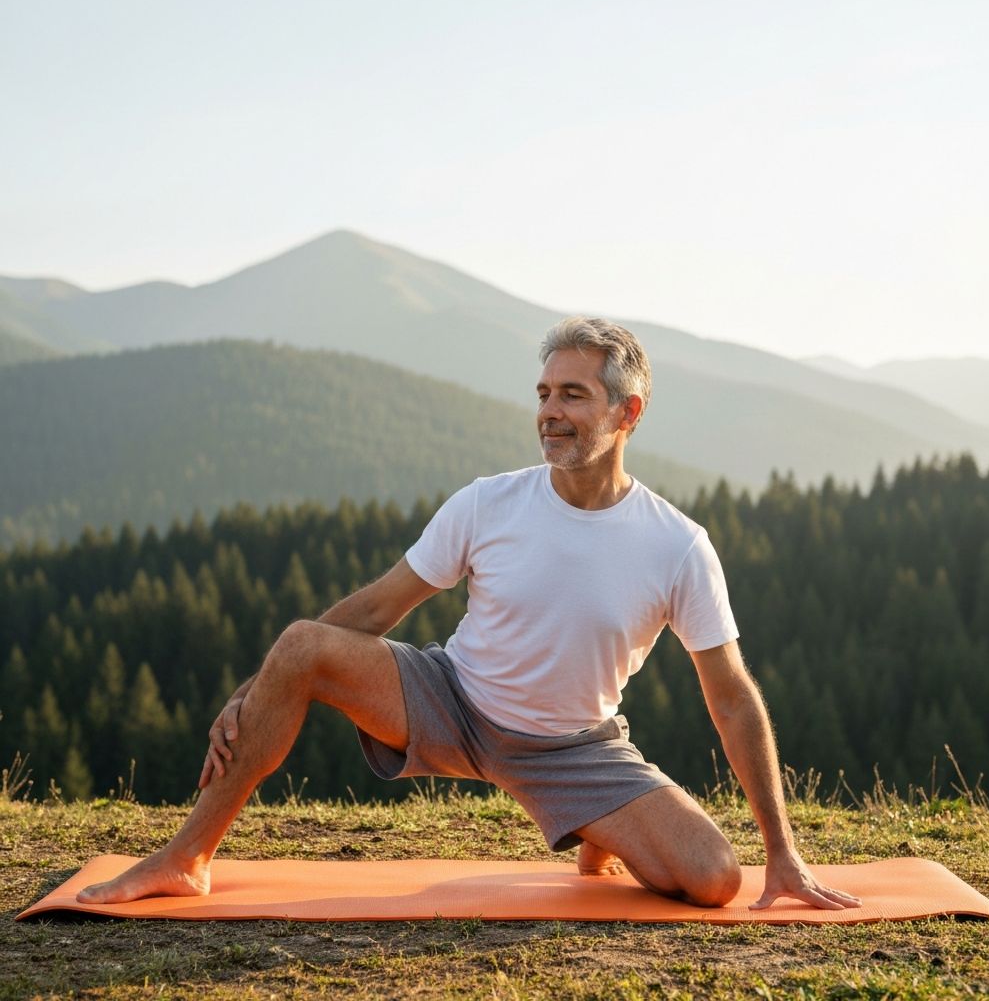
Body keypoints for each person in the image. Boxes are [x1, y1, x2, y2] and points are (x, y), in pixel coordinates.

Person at [79, 317, 859, 911]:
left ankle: (596, 827)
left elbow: (730, 697)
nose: (551, 413)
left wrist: (782, 855)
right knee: (302, 644)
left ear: (629, 413)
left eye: (574, 396)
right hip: (450, 699)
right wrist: (255, 690)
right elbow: (379, 607)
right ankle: (186, 857)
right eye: (545, 394)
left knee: (714, 879)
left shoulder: (677, 547)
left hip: (574, 750)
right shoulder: (488, 503)